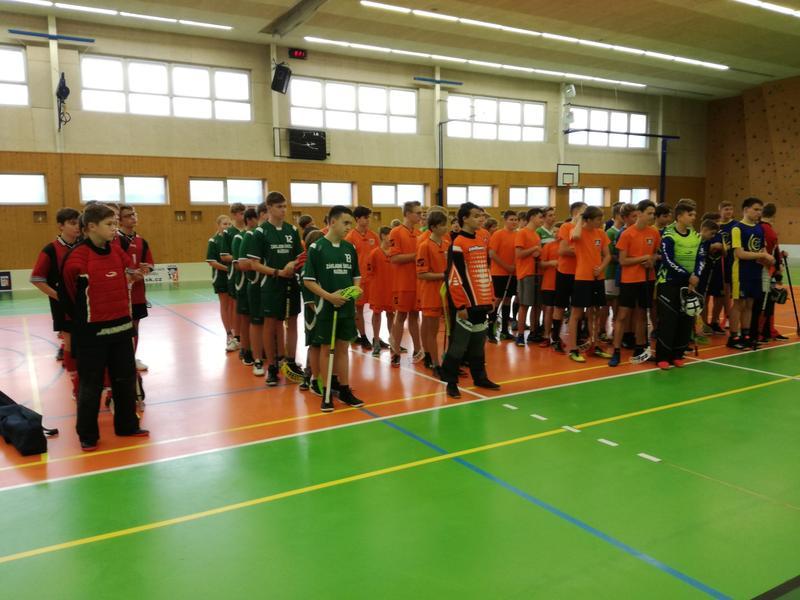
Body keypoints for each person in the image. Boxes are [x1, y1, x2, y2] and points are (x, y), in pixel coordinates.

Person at [60, 203, 149, 451]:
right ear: (91, 227)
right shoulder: (77, 258)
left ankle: (127, 425)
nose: (114, 229)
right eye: (109, 224)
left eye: (115, 224)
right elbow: (68, 296)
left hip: (121, 329)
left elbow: (128, 273)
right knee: (91, 385)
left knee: (124, 379)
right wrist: (85, 323)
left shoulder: (117, 252)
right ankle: (88, 434)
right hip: (92, 334)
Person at [302, 205, 364, 412]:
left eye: (350, 224)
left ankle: (344, 389)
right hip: (326, 307)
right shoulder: (317, 248)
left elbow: (356, 276)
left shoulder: (349, 248)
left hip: (346, 307)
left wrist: (355, 290)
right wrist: (330, 297)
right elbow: (309, 281)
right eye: (346, 223)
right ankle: (326, 391)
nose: (349, 227)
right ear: (332, 222)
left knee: (343, 348)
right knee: (326, 348)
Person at [441, 202, 500, 399]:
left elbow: (486, 270)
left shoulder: (482, 240)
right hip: (465, 304)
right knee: (459, 345)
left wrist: (490, 296)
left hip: (482, 301)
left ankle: (480, 377)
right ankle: (451, 383)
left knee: (478, 343)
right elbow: (453, 276)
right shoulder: (457, 243)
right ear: (464, 219)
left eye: (481, 215)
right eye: (476, 216)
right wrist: (460, 305)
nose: (480, 219)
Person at [245, 192, 304, 386]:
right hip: (271, 284)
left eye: (285, 206)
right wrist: (278, 272)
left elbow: (299, 257)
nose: (283, 210)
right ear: (269, 208)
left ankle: (291, 361)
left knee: (292, 321)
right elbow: (254, 264)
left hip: (291, 282)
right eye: (279, 207)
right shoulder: (260, 232)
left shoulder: (292, 230)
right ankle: (272, 366)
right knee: (270, 324)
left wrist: (293, 264)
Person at [30, 207, 81, 396]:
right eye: (72, 223)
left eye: (78, 223)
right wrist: (59, 296)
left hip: (84, 304)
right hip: (63, 307)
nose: (77, 227)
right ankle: (76, 384)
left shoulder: (83, 246)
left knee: (86, 344)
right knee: (70, 343)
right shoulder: (50, 250)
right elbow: (36, 279)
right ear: (61, 226)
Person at [655, 201, 706, 368]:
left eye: (694, 214)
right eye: (690, 215)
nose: (693, 217)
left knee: (685, 320)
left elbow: (701, 258)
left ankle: (677, 354)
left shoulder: (696, 236)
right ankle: (663, 357)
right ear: (679, 216)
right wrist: (687, 276)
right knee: (668, 320)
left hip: (689, 283)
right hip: (669, 283)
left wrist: (696, 275)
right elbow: (668, 260)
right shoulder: (668, 235)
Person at [608, 200, 660, 367]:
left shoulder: (654, 233)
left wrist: (652, 260)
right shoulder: (627, 234)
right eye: (649, 213)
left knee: (642, 314)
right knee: (623, 315)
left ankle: (640, 348)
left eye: (653, 213)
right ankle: (616, 351)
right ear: (639, 213)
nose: (652, 216)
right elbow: (622, 261)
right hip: (630, 280)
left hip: (647, 278)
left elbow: (656, 254)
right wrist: (643, 258)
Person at [566, 206, 611, 363]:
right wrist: (580, 218)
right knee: (576, 314)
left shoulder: (601, 233)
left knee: (595, 312)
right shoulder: (576, 231)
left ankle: (594, 345)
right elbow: (576, 235)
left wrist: (601, 268)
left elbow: (607, 255)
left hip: (598, 278)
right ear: (589, 219)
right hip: (582, 278)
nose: (601, 221)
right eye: (598, 219)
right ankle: (573, 349)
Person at [728, 197, 773, 349]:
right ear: (746, 210)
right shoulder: (737, 228)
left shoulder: (759, 228)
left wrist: (768, 258)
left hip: (755, 271)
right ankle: (733, 337)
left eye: (760, 210)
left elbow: (762, 249)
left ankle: (746, 335)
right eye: (756, 209)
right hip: (741, 271)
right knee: (739, 304)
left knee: (749, 304)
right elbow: (740, 253)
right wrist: (762, 255)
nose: (759, 213)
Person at [116, 205, 154, 371]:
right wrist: (129, 274)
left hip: (137, 292)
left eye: (134, 214)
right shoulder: (115, 240)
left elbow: (150, 264)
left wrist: (144, 270)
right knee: (121, 327)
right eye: (128, 215)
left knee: (135, 326)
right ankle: (120, 360)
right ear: (119, 220)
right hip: (120, 293)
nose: (133, 217)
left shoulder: (141, 241)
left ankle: (131, 358)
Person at [389, 201, 424, 366]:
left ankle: (417, 349)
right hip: (402, 283)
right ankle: (395, 352)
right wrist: (416, 255)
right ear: (408, 214)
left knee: (415, 316)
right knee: (401, 316)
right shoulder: (396, 232)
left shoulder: (418, 233)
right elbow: (394, 258)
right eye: (418, 213)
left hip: (417, 282)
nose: (420, 215)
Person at [416, 211, 450, 377]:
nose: (445, 228)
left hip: (448, 293)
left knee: (450, 330)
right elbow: (421, 274)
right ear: (434, 227)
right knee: (433, 330)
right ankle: (435, 363)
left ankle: (448, 362)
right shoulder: (424, 246)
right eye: (442, 225)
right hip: (431, 294)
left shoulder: (447, 244)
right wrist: (443, 275)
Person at [551, 201, 587, 352]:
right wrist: (585, 252)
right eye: (584, 211)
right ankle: (555, 338)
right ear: (576, 213)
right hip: (565, 272)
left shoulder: (586, 229)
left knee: (578, 307)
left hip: (581, 273)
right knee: (560, 305)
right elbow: (563, 250)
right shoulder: (566, 227)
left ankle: (576, 337)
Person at [346, 206, 380, 350]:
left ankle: (376, 338)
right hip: (358, 280)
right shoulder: (350, 237)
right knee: (358, 308)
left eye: (369, 217)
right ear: (357, 219)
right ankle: (363, 336)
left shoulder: (373, 236)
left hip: (373, 279)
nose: (368, 220)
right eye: (365, 217)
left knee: (376, 309)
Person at [240, 203, 268, 376]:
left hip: (274, 285)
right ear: (262, 214)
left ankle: (277, 358)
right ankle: (256, 358)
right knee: (256, 322)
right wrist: (262, 266)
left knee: (274, 323)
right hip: (257, 284)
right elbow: (242, 264)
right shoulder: (250, 235)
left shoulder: (278, 233)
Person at [232, 208, 259, 366]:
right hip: (244, 283)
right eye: (257, 219)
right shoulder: (240, 237)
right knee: (246, 317)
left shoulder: (260, 235)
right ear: (250, 220)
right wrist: (256, 264)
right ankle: (245, 348)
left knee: (259, 319)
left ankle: (258, 348)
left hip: (259, 283)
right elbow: (237, 264)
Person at [299, 229, 325, 395]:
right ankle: (313, 379)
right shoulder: (307, 269)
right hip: (315, 315)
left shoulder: (323, 266)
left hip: (325, 313)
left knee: (327, 347)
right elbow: (310, 301)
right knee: (315, 345)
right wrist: (322, 313)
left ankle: (327, 379)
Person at [758, 203, 788, 342]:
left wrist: (780, 256)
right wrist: (777, 269)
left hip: (767, 269)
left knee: (769, 301)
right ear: (774, 215)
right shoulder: (767, 230)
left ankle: (768, 331)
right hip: (766, 270)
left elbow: (774, 250)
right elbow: (770, 252)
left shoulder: (762, 227)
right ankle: (761, 332)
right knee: (765, 303)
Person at [488, 210, 519, 342]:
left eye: (516, 220)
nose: (514, 222)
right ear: (505, 220)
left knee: (508, 300)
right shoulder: (498, 234)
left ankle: (505, 331)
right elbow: (492, 254)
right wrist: (506, 266)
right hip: (499, 273)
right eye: (511, 219)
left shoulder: (518, 235)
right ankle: (490, 331)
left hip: (513, 273)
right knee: (497, 300)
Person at [514, 208, 543, 347]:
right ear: (532, 217)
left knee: (537, 305)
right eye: (540, 217)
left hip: (536, 273)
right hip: (526, 273)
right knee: (524, 305)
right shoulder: (522, 233)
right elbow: (519, 254)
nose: (542, 220)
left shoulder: (536, 235)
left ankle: (533, 332)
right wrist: (534, 249)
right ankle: (520, 335)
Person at [219, 203, 246, 352]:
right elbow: (224, 256)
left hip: (250, 274)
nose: (244, 216)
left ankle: (248, 338)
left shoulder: (250, 230)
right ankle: (236, 337)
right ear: (234, 215)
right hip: (235, 274)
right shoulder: (229, 233)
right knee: (236, 306)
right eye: (241, 213)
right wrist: (240, 259)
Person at [366, 227, 395, 356]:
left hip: (391, 289)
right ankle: (376, 342)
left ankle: (393, 341)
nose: (392, 238)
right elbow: (369, 273)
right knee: (377, 314)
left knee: (391, 315)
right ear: (383, 236)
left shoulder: (394, 252)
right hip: (378, 289)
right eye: (389, 235)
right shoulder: (374, 253)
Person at [206, 214, 232, 348]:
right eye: (224, 224)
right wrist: (228, 269)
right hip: (221, 277)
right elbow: (212, 261)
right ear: (218, 225)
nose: (227, 226)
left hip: (234, 277)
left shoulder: (233, 238)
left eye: (229, 224)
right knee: (225, 305)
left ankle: (237, 333)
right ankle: (229, 333)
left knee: (234, 305)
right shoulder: (214, 241)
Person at [538, 231, 560, 348]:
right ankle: (546, 336)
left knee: (559, 310)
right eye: (555, 231)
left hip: (563, 283)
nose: (557, 233)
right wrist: (550, 263)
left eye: (559, 231)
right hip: (549, 283)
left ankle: (556, 336)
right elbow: (541, 264)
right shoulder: (548, 246)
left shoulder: (569, 246)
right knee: (548, 309)